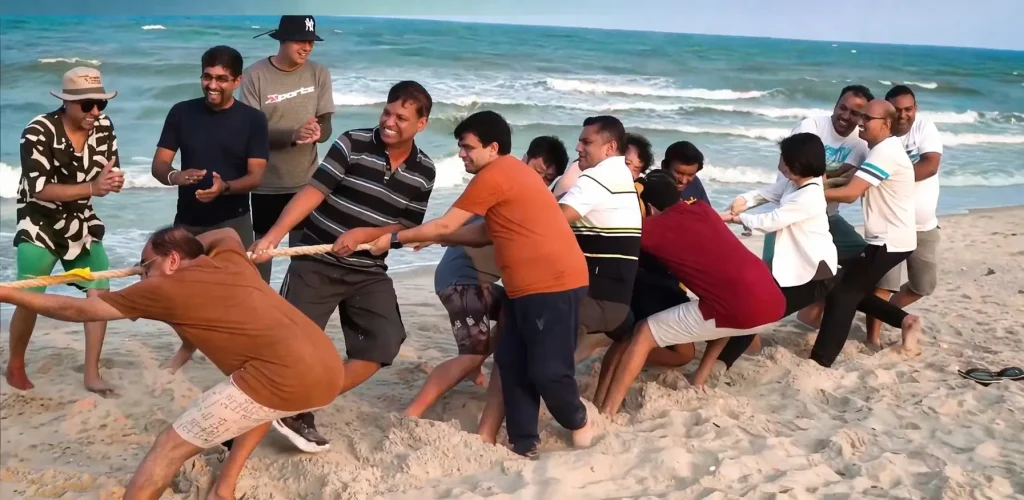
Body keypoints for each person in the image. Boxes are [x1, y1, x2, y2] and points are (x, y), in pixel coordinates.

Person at [0, 227, 344, 500]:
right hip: (328, 372)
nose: (141, 277)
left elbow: (77, 310)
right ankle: (222, 490)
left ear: (173, 261)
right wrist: (185, 247)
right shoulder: (229, 259)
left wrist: (7, 293)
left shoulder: (164, 288)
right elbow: (227, 233)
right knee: (254, 403)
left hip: (285, 379)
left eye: (145, 267)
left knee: (168, 446)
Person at [369, 110, 592, 458]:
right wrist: (442, 239)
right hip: (521, 289)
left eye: (467, 147)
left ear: (493, 147)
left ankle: (578, 421)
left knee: (549, 372)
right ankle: (523, 443)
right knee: (512, 364)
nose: (461, 154)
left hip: (555, 285)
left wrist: (395, 239)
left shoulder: (497, 174)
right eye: (460, 147)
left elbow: (445, 224)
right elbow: (487, 232)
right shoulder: (513, 174)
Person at [249, 80, 435, 452]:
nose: (389, 121)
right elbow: (313, 192)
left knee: (384, 343)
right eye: (387, 112)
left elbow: (409, 227)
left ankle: (302, 405)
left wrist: (367, 231)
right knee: (289, 347)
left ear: (421, 124)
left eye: (401, 117)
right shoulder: (352, 142)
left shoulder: (424, 170)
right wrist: (272, 236)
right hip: (315, 260)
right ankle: (243, 420)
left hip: (367, 271)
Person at [408, 135, 569, 420]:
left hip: (478, 283)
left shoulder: (529, 199)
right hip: (461, 280)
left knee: (515, 311)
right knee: (471, 353)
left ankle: (474, 370)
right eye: (537, 170)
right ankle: (412, 412)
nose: (540, 179)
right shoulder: (505, 189)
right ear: (523, 160)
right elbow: (475, 228)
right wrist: (434, 235)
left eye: (547, 178)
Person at [596, 175, 786, 416]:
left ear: (651, 207)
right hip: (772, 300)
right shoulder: (702, 209)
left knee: (643, 333)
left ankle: (608, 410)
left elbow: (609, 239)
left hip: (738, 307)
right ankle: (700, 379)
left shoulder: (653, 228)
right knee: (722, 314)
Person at [6, 66, 125, 395]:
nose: (96, 111)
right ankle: (15, 362)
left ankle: (91, 373)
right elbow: (39, 189)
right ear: (67, 103)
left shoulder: (102, 126)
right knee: (29, 297)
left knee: (100, 292)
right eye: (87, 105)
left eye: (101, 104)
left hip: (81, 221)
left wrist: (112, 182)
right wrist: (93, 187)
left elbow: (107, 171)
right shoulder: (38, 131)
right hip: (38, 222)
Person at [812, 99, 924, 367]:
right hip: (891, 239)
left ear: (886, 124)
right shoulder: (880, 149)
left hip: (890, 241)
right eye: (861, 116)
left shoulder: (885, 152)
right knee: (848, 287)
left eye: (867, 118)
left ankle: (820, 361)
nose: (860, 121)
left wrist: (808, 195)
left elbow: (851, 194)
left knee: (843, 294)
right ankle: (905, 320)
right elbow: (849, 180)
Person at [717, 133, 841, 367]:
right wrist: (742, 199)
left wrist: (732, 218)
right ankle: (732, 355)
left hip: (814, 274)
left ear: (799, 164)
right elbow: (766, 194)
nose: (779, 164)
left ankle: (723, 363)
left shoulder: (809, 195)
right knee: (756, 310)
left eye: (784, 159)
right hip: (795, 267)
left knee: (759, 313)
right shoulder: (794, 183)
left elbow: (771, 221)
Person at [769, 85, 874, 327]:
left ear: (864, 117)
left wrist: (823, 177)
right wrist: (830, 177)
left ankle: (815, 307)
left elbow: (846, 180)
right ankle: (750, 334)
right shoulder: (811, 127)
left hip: (826, 217)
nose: (846, 116)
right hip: (789, 213)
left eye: (855, 113)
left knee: (864, 258)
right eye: (842, 108)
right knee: (771, 276)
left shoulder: (860, 142)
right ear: (835, 106)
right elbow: (789, 168)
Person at [244, 15, 335, 283]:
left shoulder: (319, 73)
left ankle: (296, 313)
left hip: (307, 185)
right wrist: (292, 135)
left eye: (310, 42)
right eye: (299, 41)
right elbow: (250, 133)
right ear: (281, 40)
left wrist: (319, 133)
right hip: (265, 184)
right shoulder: (255, 75)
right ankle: (259, 313)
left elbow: (327, 124)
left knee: (305, 264)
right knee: (261, 258)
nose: (306, 47)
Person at [151, 46, 269, 248]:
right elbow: (159, 165)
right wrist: (175, 176)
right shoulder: (181, 112)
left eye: (222, 79)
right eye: (207, 77)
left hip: (234, 224)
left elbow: (255, 177)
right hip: (187, 223)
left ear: (237, 81)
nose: (212, 85)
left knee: (234, 280)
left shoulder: (254, 119)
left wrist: (225, 187)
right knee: (184, 279)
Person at [558, 116, 642, 362]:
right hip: (615, 299)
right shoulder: (620, 175)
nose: (577, 148)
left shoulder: (599, 177)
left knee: (530, 310)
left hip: (598, 301)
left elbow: (551, 221)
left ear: (610, 147)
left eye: (586, 142)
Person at [867, 85, 943, 347]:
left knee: (923, 285)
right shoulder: (878, 135)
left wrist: (896, 177)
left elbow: (931, 164)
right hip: (890, 227)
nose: (903, 115)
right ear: (887, 111)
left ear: (915, 109)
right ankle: (872, 338)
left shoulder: (924, 127)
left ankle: (888, 313)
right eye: (897, 110)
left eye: (908, 109)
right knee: (883, 287)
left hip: (923, 225)